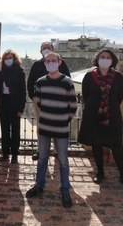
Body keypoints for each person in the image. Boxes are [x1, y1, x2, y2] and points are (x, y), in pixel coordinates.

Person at [78, 49, 123, 190]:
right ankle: (100, 173)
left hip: (112, 117)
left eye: (107, 57)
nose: (104, 59)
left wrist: (108, 106)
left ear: (112, 60)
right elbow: (86, 96)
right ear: (97, 60)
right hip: (94, 116)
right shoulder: (89, 76)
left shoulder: (117, 77)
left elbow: (120, 96)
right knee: (96, 145)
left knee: (117, 147)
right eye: (102, 57)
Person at [26, 52, 77, 208]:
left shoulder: (68, 82)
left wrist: (63, 120)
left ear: (59, 62)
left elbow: (73, 106)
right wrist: (44, 118)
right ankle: (39, 185)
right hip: (45, 127)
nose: (50, 63)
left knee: (63, 160)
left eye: (53, 61)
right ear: (45, 64)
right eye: (48, 61)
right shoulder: (40, 82)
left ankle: (65, 190)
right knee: (42, 158)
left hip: (61, 129)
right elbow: (38, 103)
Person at [27, 41, 71, 161]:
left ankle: (57, 151)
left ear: (53, 50)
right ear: (40, 51)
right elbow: (30, 82)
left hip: (58, 100)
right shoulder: (36, 65)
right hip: (40, 100)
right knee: (41, 125)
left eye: (48, 47)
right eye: (44, 48)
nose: (46, 49)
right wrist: (33, 97)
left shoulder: (61, 64)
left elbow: (68, 80)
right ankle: (41, 150)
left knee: (57, 124)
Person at [0, 49, 26, 164]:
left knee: (15, 129)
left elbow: (23, 92)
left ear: (14, 59)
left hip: (15, 103)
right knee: (4, 129)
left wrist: (21, 108)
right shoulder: (1, 72)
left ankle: (14, 154)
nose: (8, 60)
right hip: (3, 102)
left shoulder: (20, 72)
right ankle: (5, 153)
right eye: (6, 58)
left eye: (10, 58)